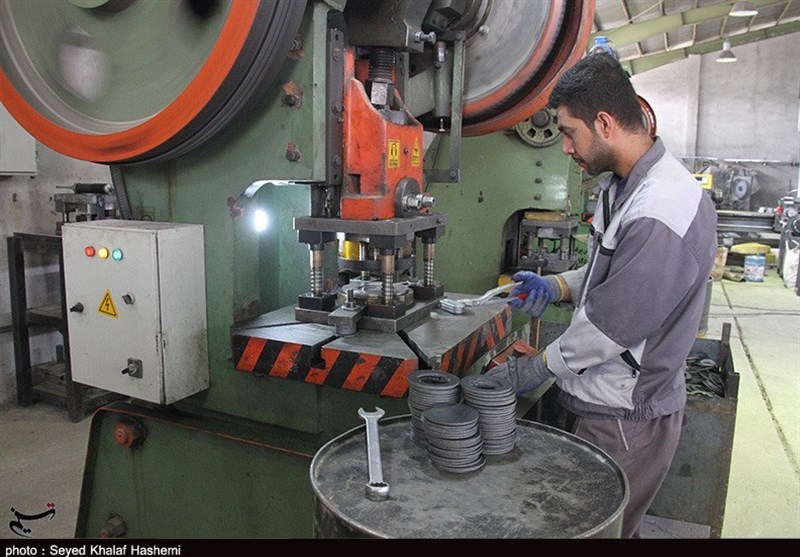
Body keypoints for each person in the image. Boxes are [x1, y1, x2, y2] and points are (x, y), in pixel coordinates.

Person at [486, 52, 718, 538]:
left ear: (605, 123)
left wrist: (536, 368)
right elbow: (609, 272)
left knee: (596, 534)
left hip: (625, 417)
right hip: (602, 399)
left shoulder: (662, 208)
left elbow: (614, 324)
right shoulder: (624, 186)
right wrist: (557, 285)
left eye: (570, 132)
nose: (565, 148)